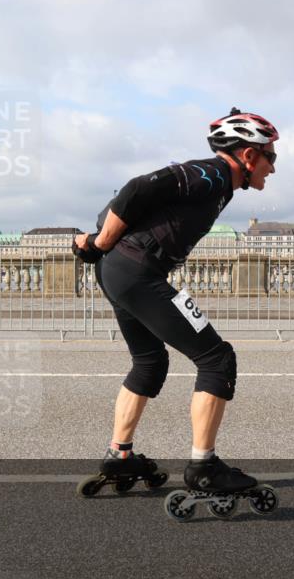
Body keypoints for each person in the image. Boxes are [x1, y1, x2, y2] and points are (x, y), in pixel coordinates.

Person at [74, 108, 279, 495]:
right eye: (270, 157)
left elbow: (132, 204)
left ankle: (120, 455)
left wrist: (99, 243)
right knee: (217, 359)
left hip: (121, 271)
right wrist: (100, 241)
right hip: (136, 272)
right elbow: (136, 189)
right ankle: (204, 466)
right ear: (249, 155)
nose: (272, 167)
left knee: (150, 362)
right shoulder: (211, 174)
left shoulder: (219, 184)